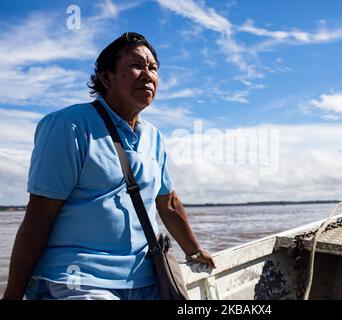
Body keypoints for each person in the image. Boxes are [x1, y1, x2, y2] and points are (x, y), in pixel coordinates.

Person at [2, 32, 215, 300]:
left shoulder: (154, 137)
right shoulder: (71, 125)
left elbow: (168, 203)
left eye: (153, 68)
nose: (147, 75)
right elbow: (38, 216)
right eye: (136, 66)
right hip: (79, 281)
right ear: (106, 77)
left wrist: (194, 252)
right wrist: (13, 292)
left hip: (147, 279)